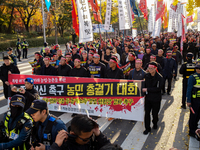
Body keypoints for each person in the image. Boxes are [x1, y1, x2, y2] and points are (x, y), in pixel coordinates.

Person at [142, 62, 163, 135]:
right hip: (148, 98)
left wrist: (147, 89)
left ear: (155, 68)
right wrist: (144, 93)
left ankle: (155, 123)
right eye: (149, 68)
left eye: (151, 68)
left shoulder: (159, 77)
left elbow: (158, 88)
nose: (149, 70)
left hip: (156, 99)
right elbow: (144, 85)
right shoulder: (147, 75)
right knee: (147, 113)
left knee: (155, 113)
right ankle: (147, 128)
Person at [186, 61, 200, 137]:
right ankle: (191, 131)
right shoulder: (192, 77)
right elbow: (189, 89)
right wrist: (188, 100)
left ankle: (195, 128)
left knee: (198, 115)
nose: (198, 70)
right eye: (197, 69)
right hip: (194, 100)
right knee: (193, 115)